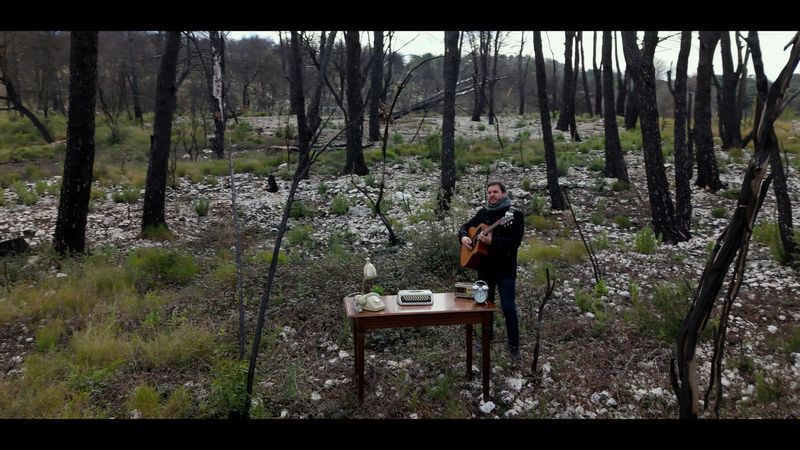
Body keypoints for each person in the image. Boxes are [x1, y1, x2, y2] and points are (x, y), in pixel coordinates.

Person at [458, 181, 525, 361]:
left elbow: (515, 243)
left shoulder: (515, 215)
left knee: (508, 307)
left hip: (505, 270)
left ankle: (514, 346)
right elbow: (464, 227)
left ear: (504, 193)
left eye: (495, 192)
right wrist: (464, 236)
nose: (491, 195)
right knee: (484, 306)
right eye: (489, 192)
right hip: (485, 269)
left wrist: (492, 242)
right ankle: (487, 338)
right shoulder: (483, 213)